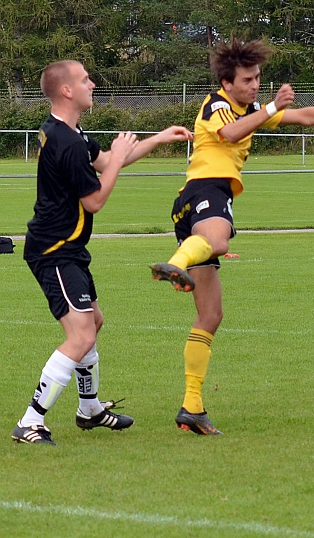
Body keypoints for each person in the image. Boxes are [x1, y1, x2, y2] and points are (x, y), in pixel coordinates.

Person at [150, 38, 314, 435]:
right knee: (221, 241)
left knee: (211, 315)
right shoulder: (217, 105)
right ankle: (174, 265)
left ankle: (191, 407)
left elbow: (306, 117)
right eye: (247, 79)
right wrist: (274, 106)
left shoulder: (251, 109)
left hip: (198, 201)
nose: (255, 84)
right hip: (205, 191)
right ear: (227, 82)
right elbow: (230, 135)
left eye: (258, 77)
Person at [13, 60, 192, 445]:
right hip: (54, 250)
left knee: (93, 322)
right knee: (79, 335)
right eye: (84, 79)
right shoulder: (65, 142)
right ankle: (30, 421)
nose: (92, 83)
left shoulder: (69, 132)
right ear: (66, 91)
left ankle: (89, 408)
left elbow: (110, 161)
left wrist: (158, 138)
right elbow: (95, 199)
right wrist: (116, 154)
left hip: (68, 249)